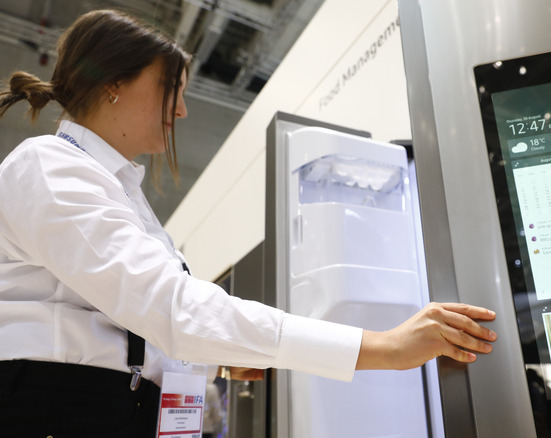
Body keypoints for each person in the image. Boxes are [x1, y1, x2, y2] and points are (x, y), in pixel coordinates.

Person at [0, 10, 497, 437]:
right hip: (63, 412)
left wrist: (211, 358)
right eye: (169, 88)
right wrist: (383, 347)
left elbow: (126, 321)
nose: (181, 109)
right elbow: (170, 308)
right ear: (113, 84)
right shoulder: (48, 166)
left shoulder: (115, 188)